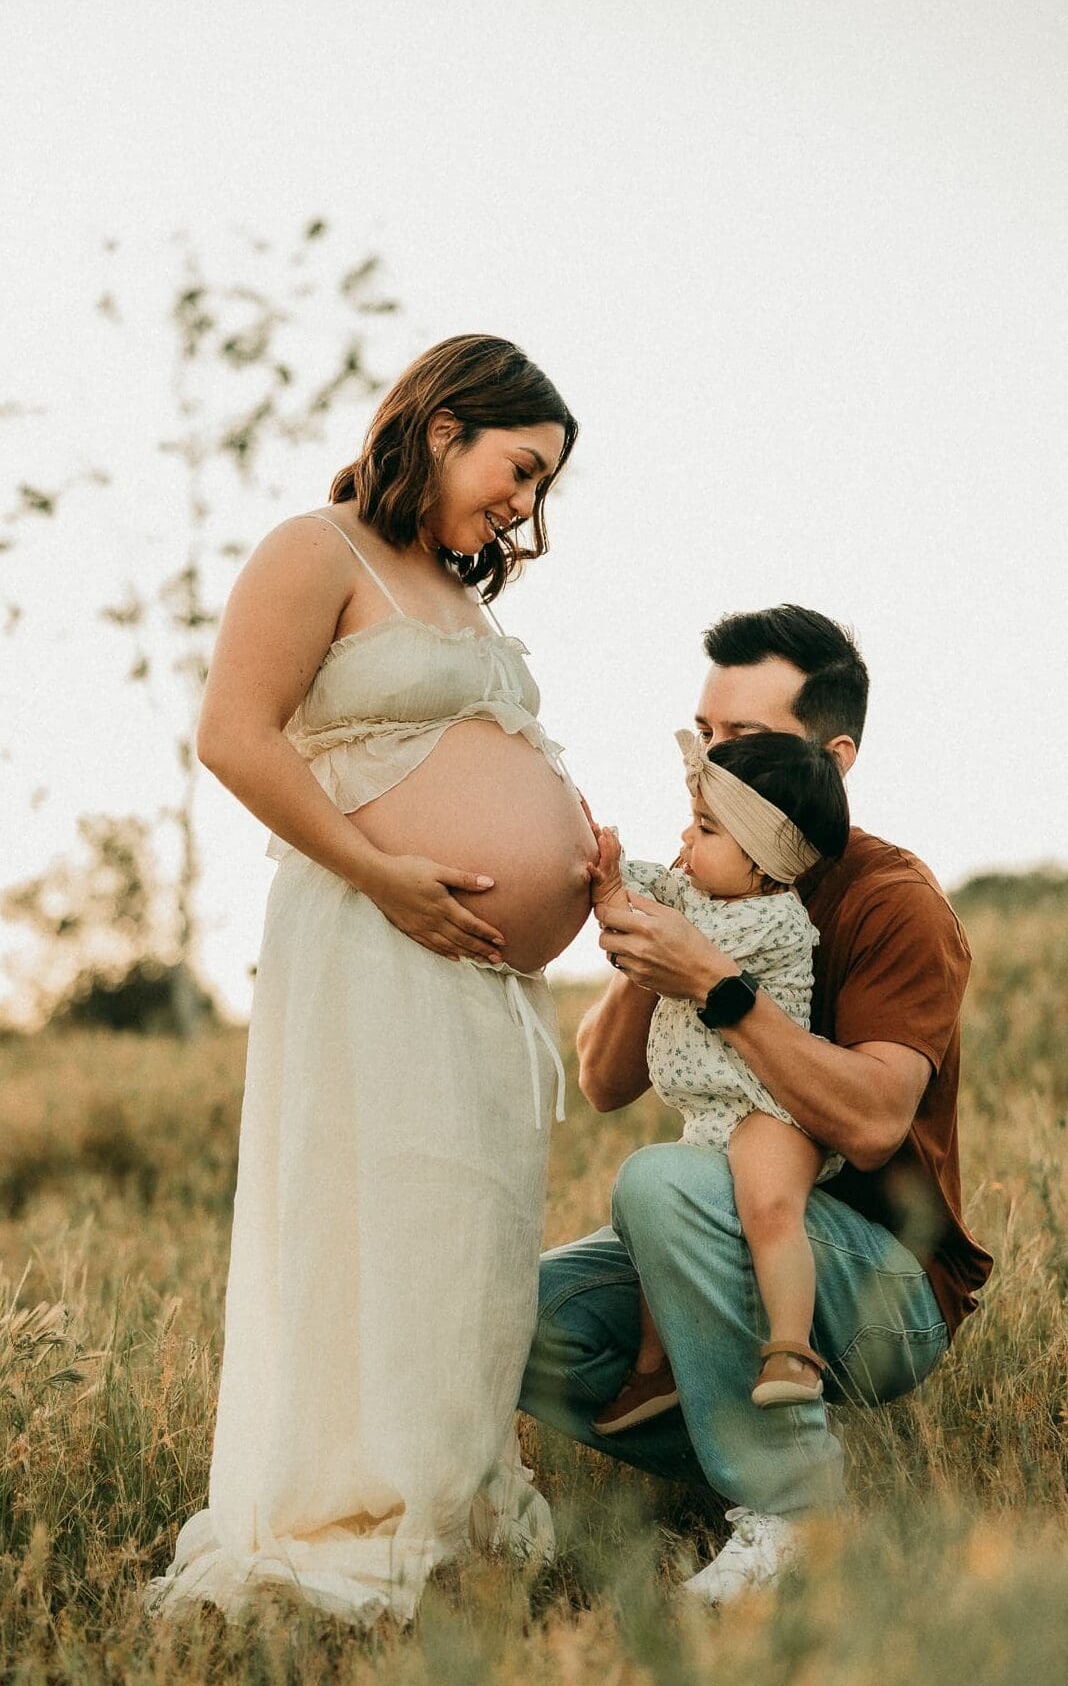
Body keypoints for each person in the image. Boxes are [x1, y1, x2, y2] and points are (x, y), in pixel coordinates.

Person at [145, 335, 598, 1624]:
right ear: (443, 425)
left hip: (476, 979)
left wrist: (573, 848)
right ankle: (357, 1507)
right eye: (519, 468)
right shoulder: (316, 550)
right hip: (367, 938)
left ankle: (448, 1499)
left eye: (543, 487)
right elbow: (234, 735)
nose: (526, 505)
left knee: (466, 1232)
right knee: (376, 1214)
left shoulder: (463, 592)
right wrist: (386, 870)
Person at [519, 606, 993, 1604]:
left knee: (668, 1180)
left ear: (834, 755)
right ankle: (802, 1466)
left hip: (883, 1282)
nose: (710, 764)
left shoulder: (892, 900)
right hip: (722, 1228)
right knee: (509, 1319)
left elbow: (871, 1122)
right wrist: (666, 938)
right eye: (707, 736)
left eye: (745, 742)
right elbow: (604, 1080)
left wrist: (721, 986)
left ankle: (790, 1511)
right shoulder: (708, 873)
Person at [586, 728, 850, 1438]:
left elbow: (662, 932)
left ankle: (792, 1351)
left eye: (704, 828)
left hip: (769, 1108)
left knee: (768, 1208)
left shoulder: (772, 920)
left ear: (764, 861)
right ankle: (656, 1366)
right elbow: (656, 888)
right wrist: (603, 864)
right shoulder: (702, 892)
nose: (684, 838)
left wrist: (613, 895)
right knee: (657, 1233)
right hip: (711, 1117)